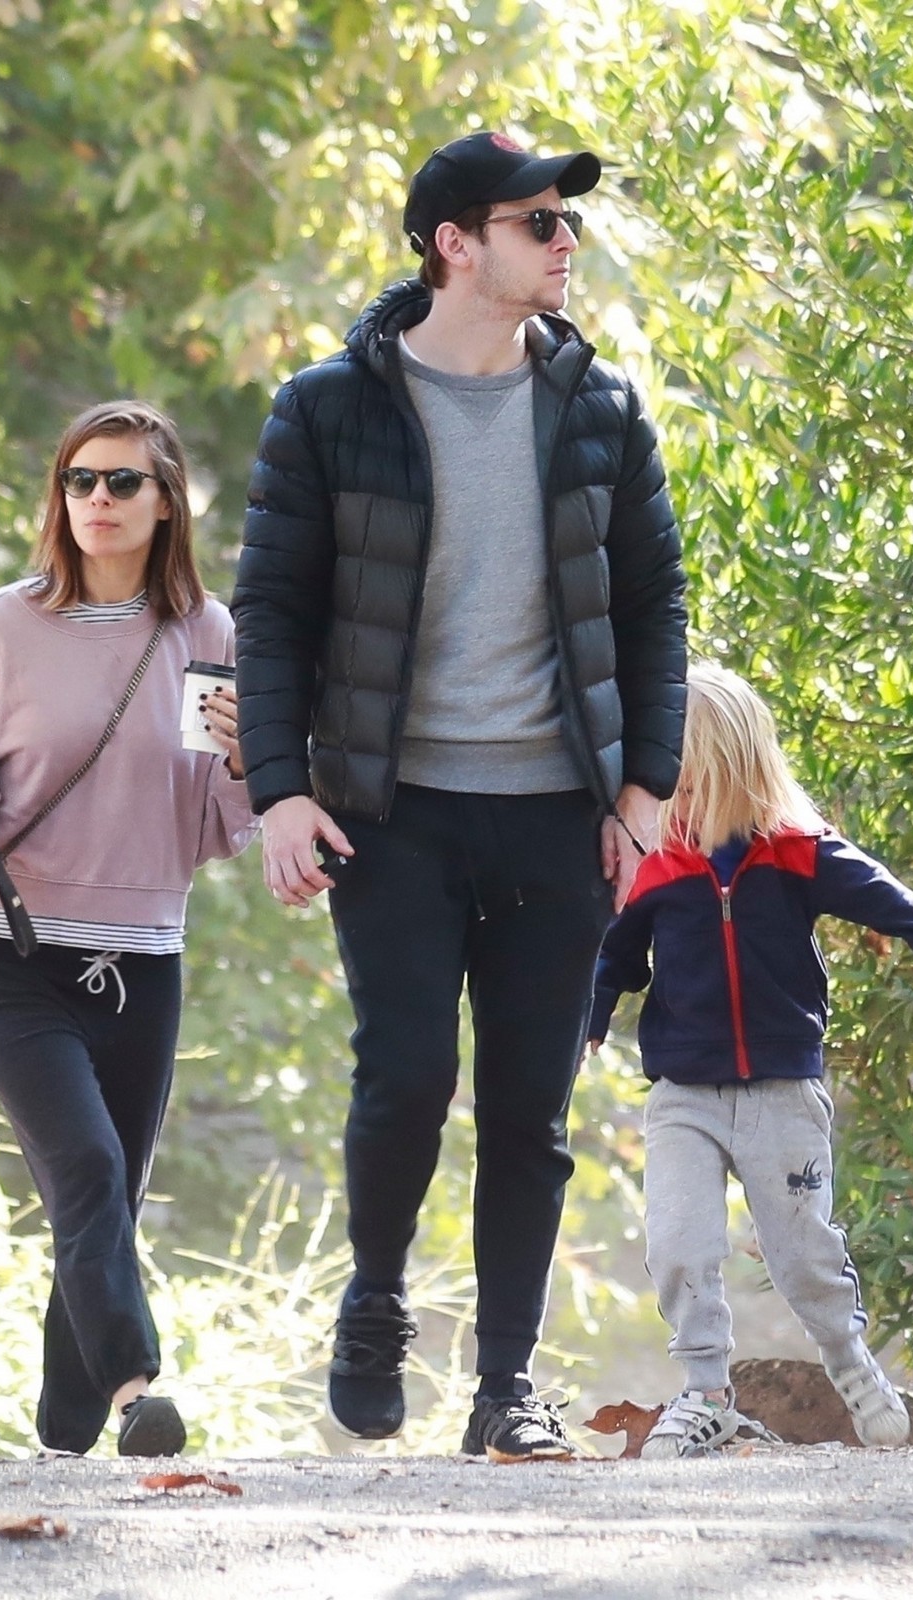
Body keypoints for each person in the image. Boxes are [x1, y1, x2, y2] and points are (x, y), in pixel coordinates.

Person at [231, 131, 689, 1461]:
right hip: (394, 811)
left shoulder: (600, 409)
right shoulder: (328, 409)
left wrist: (644, 793)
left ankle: (507, 1385)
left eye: (568, 221)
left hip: (557, 810)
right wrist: (280, 794)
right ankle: (376, 1301)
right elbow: (272, 612)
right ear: (455, 244)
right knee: (407, 1076)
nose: (566, 241)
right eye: (538, 221)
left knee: (531, 1109)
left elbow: (654, 608)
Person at [0, 400, 257, 1458]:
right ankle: (137, 1392)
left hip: (143, 960)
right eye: (78, 479)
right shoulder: (0, 625)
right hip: (9, 953)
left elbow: (214, 823)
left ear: (167, 503)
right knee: (90, 1173)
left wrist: (247, 761)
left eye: (122, 481)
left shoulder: (205, 634)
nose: (96, 499)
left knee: (102, 1200)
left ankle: (62, 1445)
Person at [586, 663, 913, 1457]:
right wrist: (590, 1019)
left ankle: (849, 1361)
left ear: (736, 773)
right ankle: (706, 1393)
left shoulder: (799, 854)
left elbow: (897, 906)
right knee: (677, 1243)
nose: (677, 801)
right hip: (684, 1093)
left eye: (690, 782)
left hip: (781, 1092)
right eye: (668, 783)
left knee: (804, 1253)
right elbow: (617, 955)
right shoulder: (660, 866)